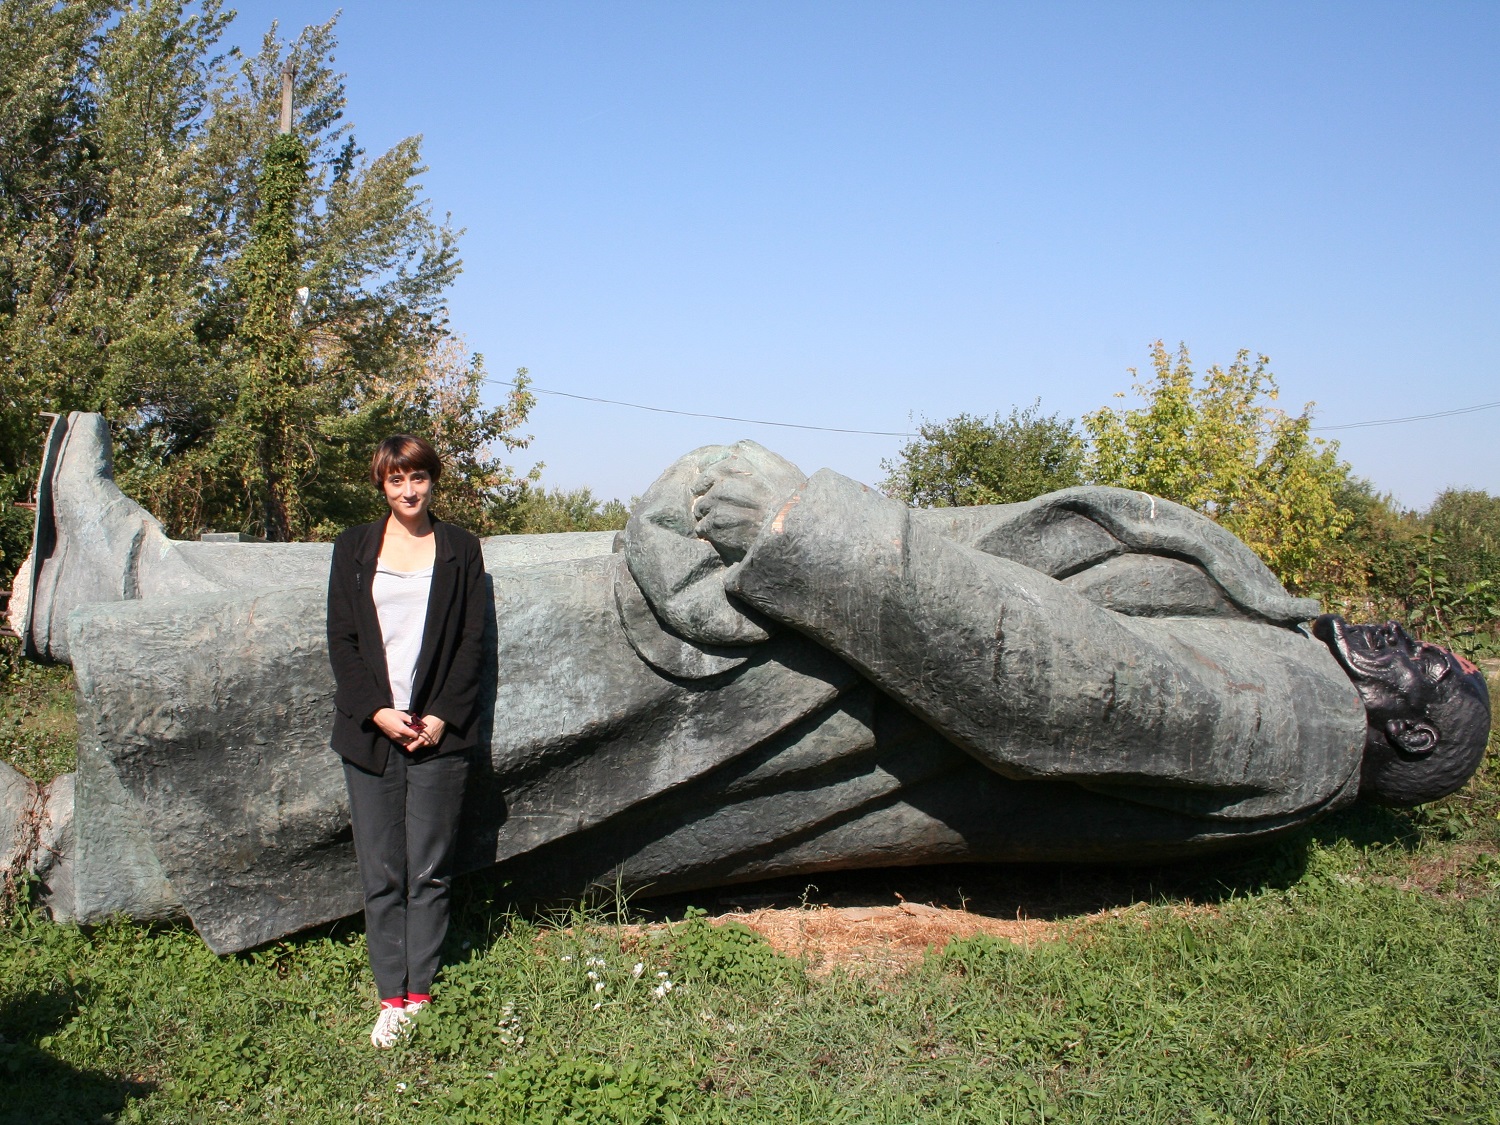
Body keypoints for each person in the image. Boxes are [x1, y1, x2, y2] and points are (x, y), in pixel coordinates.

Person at [325, 435, 488, 1049]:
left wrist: (443, 715)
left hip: (439, 734)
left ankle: (421, 993)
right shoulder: (353, 548)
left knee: (430, 868)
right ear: (383, 487)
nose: (409, 490)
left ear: (432, 481)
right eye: (397, 481)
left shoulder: (461, 550)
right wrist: (376, 711)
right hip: (372, 734)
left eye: (418, 477)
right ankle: (389, 993)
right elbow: (342, 639)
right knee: (382, 869)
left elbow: (472, 641)